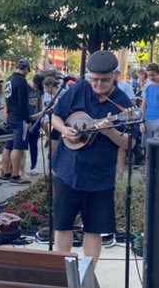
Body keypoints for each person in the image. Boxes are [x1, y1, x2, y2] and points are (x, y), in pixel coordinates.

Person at [51, 49, 134, 264]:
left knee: (94, 230)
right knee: (62, 225)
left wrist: (110, 132)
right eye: (93, 79)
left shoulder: (123, 103)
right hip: (67, 169)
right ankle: (63, 277)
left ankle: (86, 279)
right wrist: (63, 130)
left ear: (115, 74)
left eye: (103, 80)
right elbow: (56, 115)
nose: (97, 84)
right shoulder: (79, 89)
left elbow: (131, 142)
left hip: (99, 177)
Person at [4, 58, 32, 184]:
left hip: (10, 116)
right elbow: (23, 103)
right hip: (19, 118)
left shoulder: (9, 80)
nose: (28, 72)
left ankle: (6, 172)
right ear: (25, 68)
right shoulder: (21, 82)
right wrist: (28, 119)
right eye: (28, 70)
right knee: (18, 147)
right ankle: (15, 175)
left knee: (8, 146)